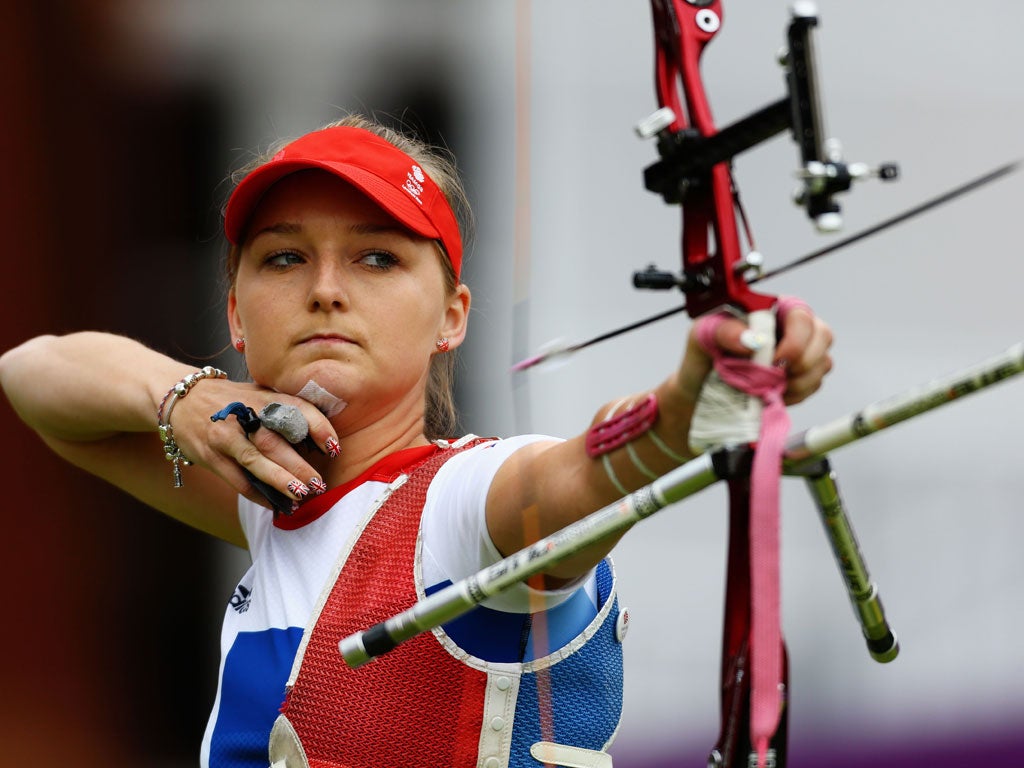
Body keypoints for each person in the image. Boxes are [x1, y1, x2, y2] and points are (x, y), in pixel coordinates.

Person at [0, 114, 832, 768]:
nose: (326, 290)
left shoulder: (464, 508)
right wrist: (182, 398)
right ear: (235, 315)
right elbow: (33, 377)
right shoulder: (273, 504)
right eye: (285, 259)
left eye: (376, 259)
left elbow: (575, 482)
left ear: (452, 317)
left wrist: (691, 404)